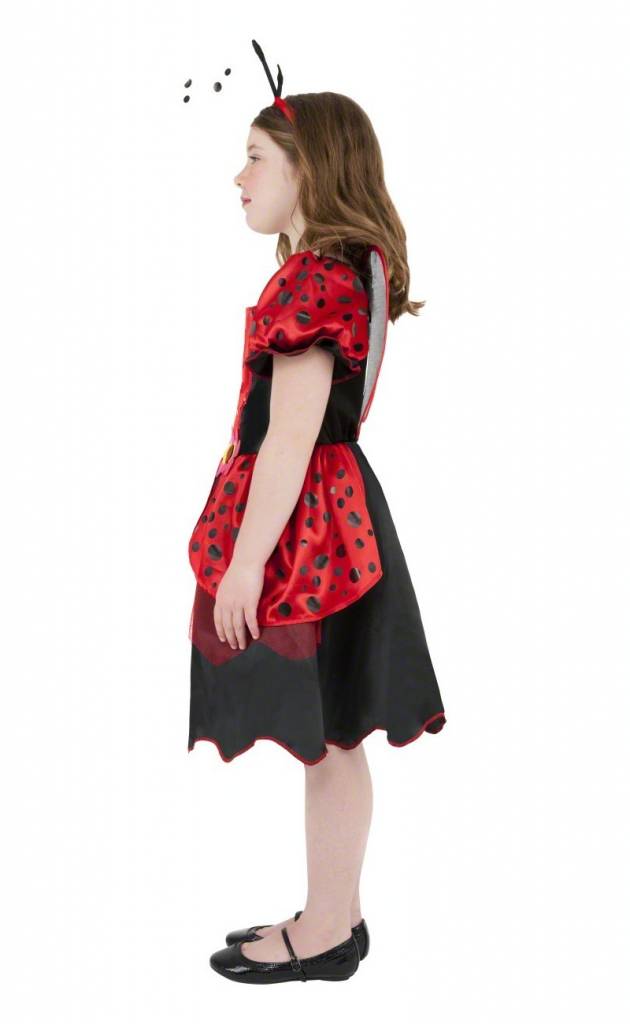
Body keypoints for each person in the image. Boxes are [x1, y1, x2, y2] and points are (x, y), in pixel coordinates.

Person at [188, 63, 447, 985]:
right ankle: (333, 911)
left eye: (256, 156)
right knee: (331, 733)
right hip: (338, 516)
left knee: (330, 735)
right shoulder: (344, 271)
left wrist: (246, 563)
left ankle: (330, 929)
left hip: (314, 533)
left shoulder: (313, 282)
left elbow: (291, 438)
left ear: (310, 169)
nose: (239, 176)